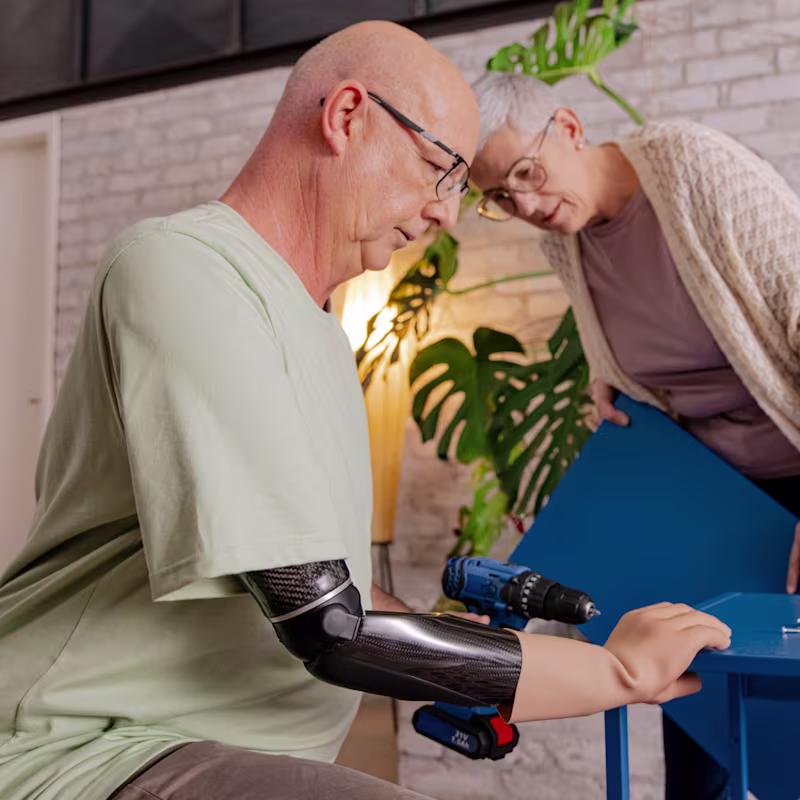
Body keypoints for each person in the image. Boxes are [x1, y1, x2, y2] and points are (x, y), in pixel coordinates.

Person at [0, 23, 730, 800]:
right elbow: (328, 622)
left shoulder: (319, 335)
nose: (447, 213)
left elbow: (337, 582)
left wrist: (447, 645)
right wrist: (616, 669)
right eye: (441, 169)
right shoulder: (185, 270)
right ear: (348, 115)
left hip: (233, 748)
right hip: (90, 747)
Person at [469, 69, 800, 800]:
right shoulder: (567, 239)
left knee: (787, 730)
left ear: (570, 126)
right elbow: (633, 336)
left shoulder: (694, 169)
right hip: (709, 496)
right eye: (497, 196)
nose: (523, 203)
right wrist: (610, 379)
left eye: (526, 171)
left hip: (791, 478)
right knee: (694, 708)